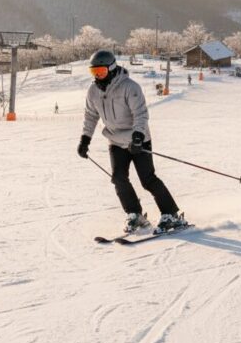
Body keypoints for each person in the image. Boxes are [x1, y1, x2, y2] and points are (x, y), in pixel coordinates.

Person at [77, 49, 185, 233]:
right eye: (94, 72)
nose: (98, 76)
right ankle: (135, 214)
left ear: (111, 69)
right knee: (118, 178)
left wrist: (138, 137)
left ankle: (171, 214)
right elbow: (90, 115)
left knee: (148, 179)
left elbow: (140, 114)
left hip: (138, 140)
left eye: (101, 72)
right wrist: (85, 139)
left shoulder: (129, 87)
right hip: (115, 140)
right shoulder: (93, 91)